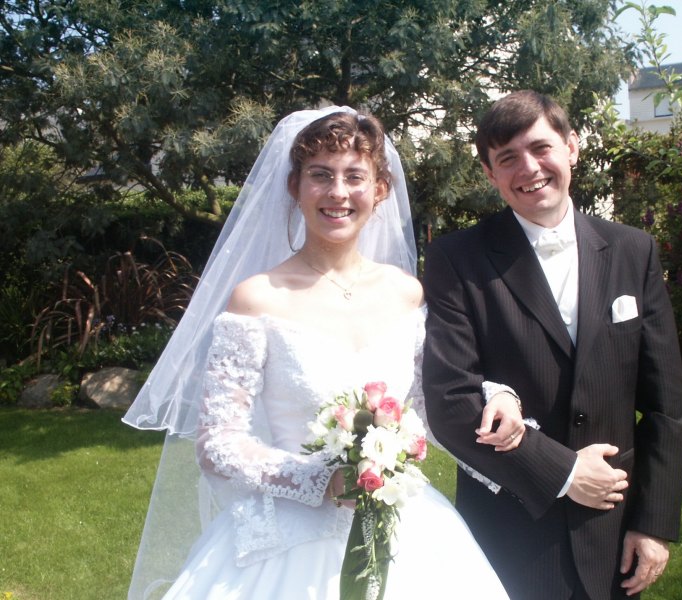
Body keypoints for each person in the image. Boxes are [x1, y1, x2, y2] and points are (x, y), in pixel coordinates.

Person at [122, 106, 519, 599]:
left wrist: (497, 396)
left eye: (355, 176)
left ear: (379, 190)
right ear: (295, 187)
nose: (337, 192)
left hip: (406, 527)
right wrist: (321, 480)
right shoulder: (256, 297)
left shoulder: (407, 292)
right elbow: (218, 443)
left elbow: (433, 403)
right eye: (320, 176)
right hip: (287, 540)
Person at [422, 90, 682, 600]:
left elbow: (666, 409)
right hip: (510, 528)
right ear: (489, 173)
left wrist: (654, 524)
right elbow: (451, 403)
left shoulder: (634, 250)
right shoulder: (457, 259)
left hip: (613, 528)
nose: (529, 168)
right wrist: (564, 472)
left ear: (571, 147)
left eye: (541, 147)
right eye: (507, 158)